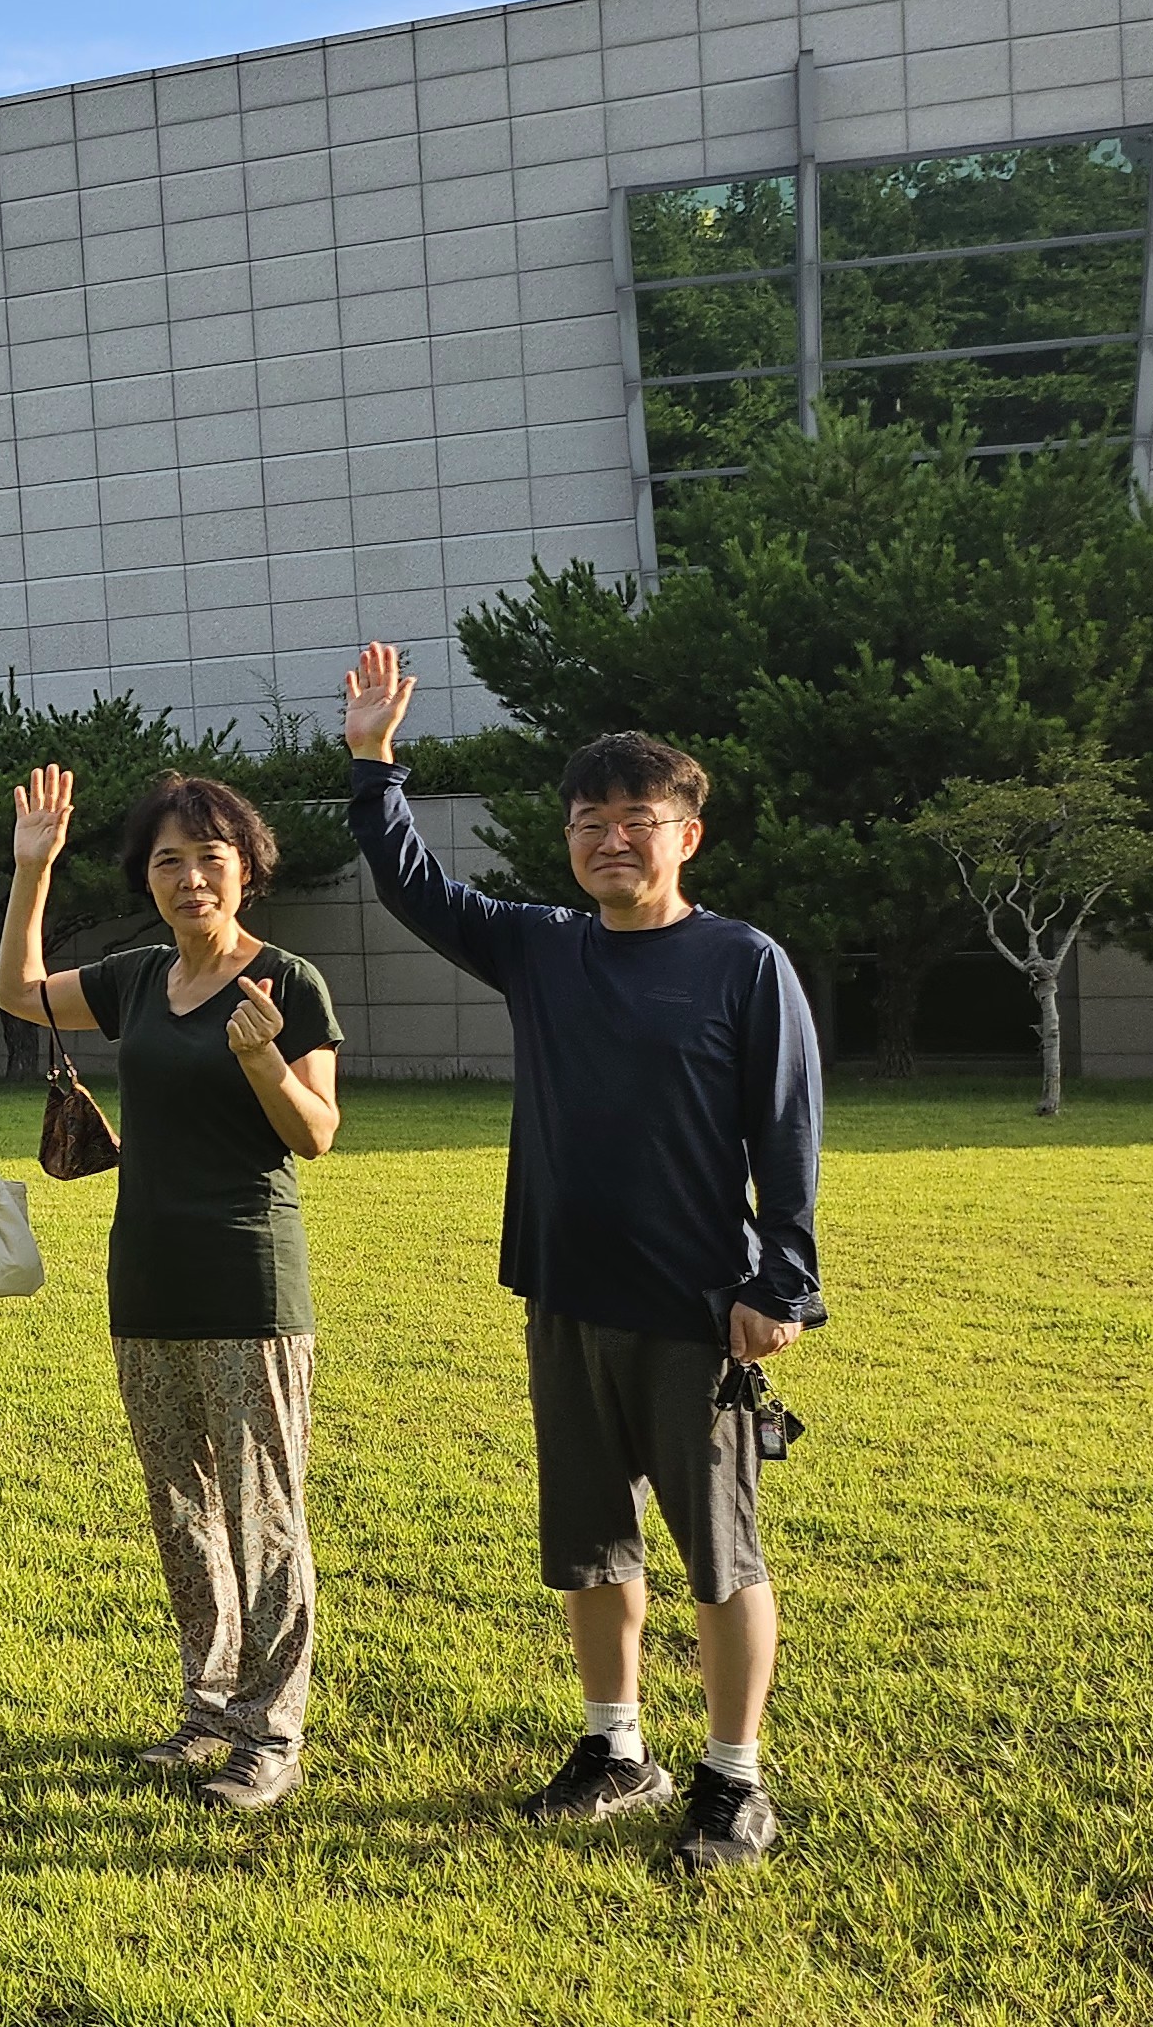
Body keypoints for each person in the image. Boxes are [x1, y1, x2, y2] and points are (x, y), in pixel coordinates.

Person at [338, 641, 824, 1873]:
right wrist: (374, 764)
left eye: (636, 819)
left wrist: (780, 1284)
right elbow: (412, 886)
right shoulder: (543, 946)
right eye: (589, 820)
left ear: (685, 837)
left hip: (695, 1307)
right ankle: (617, 1746)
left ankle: (732, 1776)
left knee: (719, 1552)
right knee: (590, 1540)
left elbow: (785, 1130)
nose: (611, 838)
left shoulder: (741, 961)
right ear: (567, 841)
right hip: (564, 1295)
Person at [0, 766, 343, 1813]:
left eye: (210, 858)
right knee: (182, 1507)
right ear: (147, 878)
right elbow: (18, 990)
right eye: (169, 861)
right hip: (145, 1276)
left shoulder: (285, 980)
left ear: (246, 869)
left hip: (248, 1282)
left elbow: (316, 1133)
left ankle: (270, 1732)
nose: (191, 878)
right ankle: (209, 1705)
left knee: (262, 1512)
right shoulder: (140, 978)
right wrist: (32, 868)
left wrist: (264, 1062)